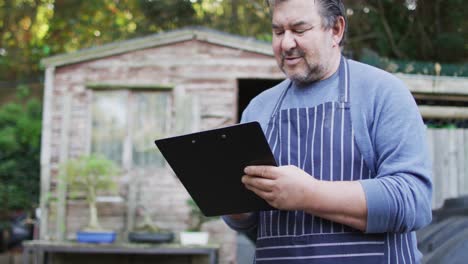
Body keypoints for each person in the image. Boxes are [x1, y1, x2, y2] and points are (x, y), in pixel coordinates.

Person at [222, 0, 433, 263]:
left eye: (299, 30)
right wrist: (236, 208)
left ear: (336, 29)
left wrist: (309, 195)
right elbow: (250, 223)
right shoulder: (259, 109)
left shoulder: (383, 93)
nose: (286, 43)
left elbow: (413, 202)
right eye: (278, 32)